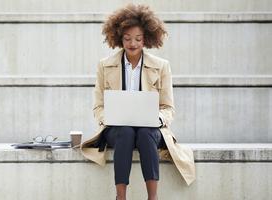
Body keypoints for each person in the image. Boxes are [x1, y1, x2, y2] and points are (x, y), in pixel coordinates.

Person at [80, 4, 196, 200]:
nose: (132, 43)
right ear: (118, 38)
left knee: (145, 132)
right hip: (117, 129)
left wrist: (156, 118)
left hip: (150, 129)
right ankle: (121, 197)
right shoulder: (104, 65)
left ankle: (153, 197)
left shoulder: (161, 67)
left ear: (147, 39)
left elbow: (168, 108)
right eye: (127, 38)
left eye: (138, 39)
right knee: (125, 132)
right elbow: (98, 106)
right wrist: (108, 117)